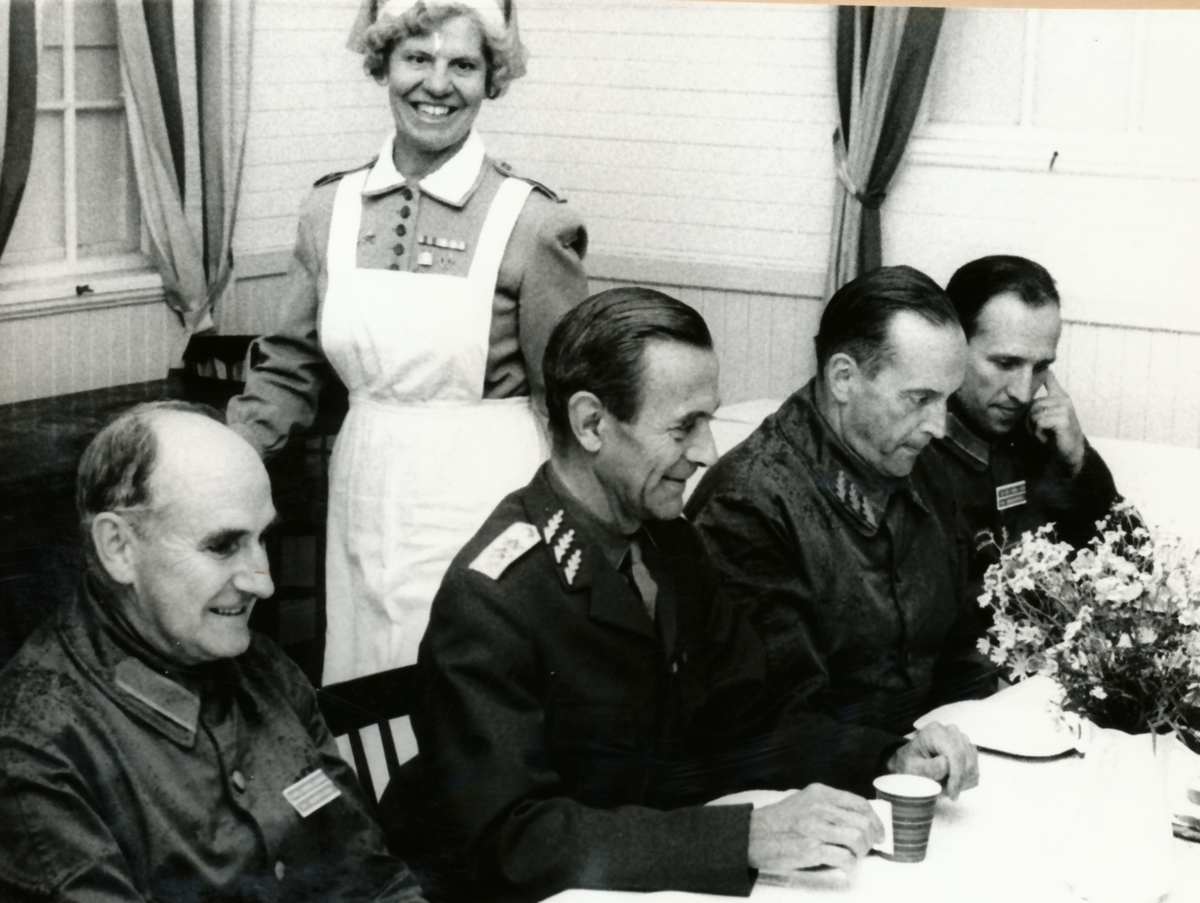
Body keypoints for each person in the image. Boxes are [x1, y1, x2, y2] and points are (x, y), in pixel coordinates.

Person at [382, 288, 978, 902]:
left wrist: (886, 758)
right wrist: (739, 839)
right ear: (591, 424)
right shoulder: (493, 599)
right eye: (682, 427)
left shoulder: (668, 546)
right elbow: (514, 840)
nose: (707, 453)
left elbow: (746, 720)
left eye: (708, 421)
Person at [226, 0, 588, 685]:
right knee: (367, 679)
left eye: (463, 65)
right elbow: (290, 367)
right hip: (366, 485)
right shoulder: (328, 210)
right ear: (383, 66)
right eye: (417, 59)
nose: (437, 84)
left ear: (492, 80)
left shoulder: (534, 221)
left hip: (490, 489)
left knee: (474, 680)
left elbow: (572, 400)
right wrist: (220, 458)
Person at [0, 402, 426, 903]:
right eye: (223, 546)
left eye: (262, 538)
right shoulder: (33, 750)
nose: (262, 584)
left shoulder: (264, 669)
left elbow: (374, 882)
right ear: (119, 548)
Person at [686, 266, 995, 737]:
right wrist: (895, 754)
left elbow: (957, 648)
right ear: (844, 378)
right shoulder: (748, 504)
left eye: (946, 400)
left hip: (923, 759)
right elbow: (772, 721)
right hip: (812, 786)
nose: (938, 425)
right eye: (919, 398)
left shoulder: (920, 460)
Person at [925, 255, 1121, 609]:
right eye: (1005, 363)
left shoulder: (1046, 438)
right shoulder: (909, 446)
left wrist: (1079, 462)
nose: (1022, 391)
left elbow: (1132, 567)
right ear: (951, 343)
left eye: (1041, 366)